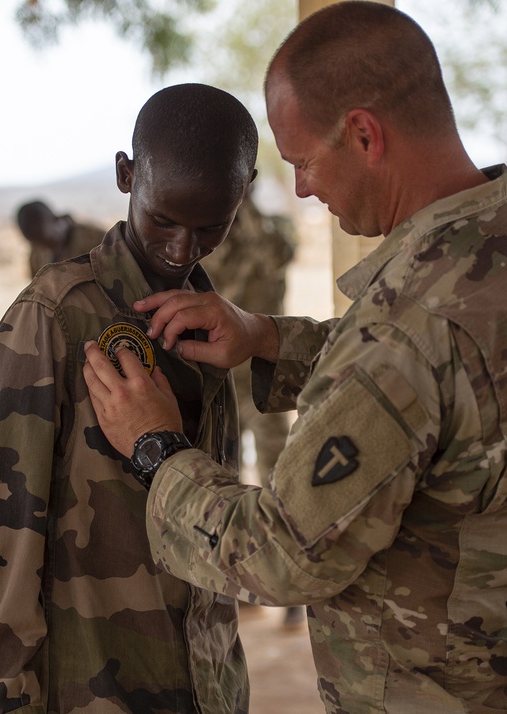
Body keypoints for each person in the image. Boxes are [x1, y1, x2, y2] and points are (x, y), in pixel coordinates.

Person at [81, 4, 507, 712]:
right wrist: (268, 338)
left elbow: (280, 556)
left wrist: (156, 449)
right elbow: (462, 385)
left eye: (303, 161)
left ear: (365, 134)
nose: (302, 188)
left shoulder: (410, 322)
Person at [0, 83, 258, 714]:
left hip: (204, 681)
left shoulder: (207, 315)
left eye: (208, 228)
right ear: (125, 175)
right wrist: (5, 692)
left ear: (241, 198)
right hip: (91, 687)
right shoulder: (58, 315)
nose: (179, 250)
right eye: (162, 219)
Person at [200, 186, 302, 629]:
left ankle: (293, 587)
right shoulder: (210, 238)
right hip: (224, 377)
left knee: (278, 476)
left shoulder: (272, 231)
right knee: (226, 474)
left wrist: (248, 209)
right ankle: (241, 577)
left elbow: (277, 253)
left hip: (268, 377)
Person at [16, 199, 104, 278]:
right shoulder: (36, 253)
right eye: (34, 242)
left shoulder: (96, 240)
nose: (42, 247)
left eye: (46, 241)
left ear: (55, 220)